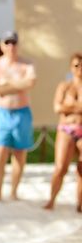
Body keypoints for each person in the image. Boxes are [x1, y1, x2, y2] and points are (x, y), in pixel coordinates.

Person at [0, 31, 36, 201]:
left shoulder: (27, 63)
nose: (11, 46)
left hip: (22, 112)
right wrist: (18, 85)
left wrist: (6, 84)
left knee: (20, 153)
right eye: (7, 43)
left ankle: (14, 191)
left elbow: (30, 83)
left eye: (14, 43)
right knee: (0, 152)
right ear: (2, 45)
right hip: (1, 113)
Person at [44, 52, 82, 211]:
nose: (80, 68)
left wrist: (70, 107)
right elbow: (57, 107)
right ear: (71, 67)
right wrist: (78, 107)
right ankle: (51, 200)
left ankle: (80, 204)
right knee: (60, 168)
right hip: (66, 129)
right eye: (76, 65)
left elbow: (63, 107)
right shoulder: (65, 86)